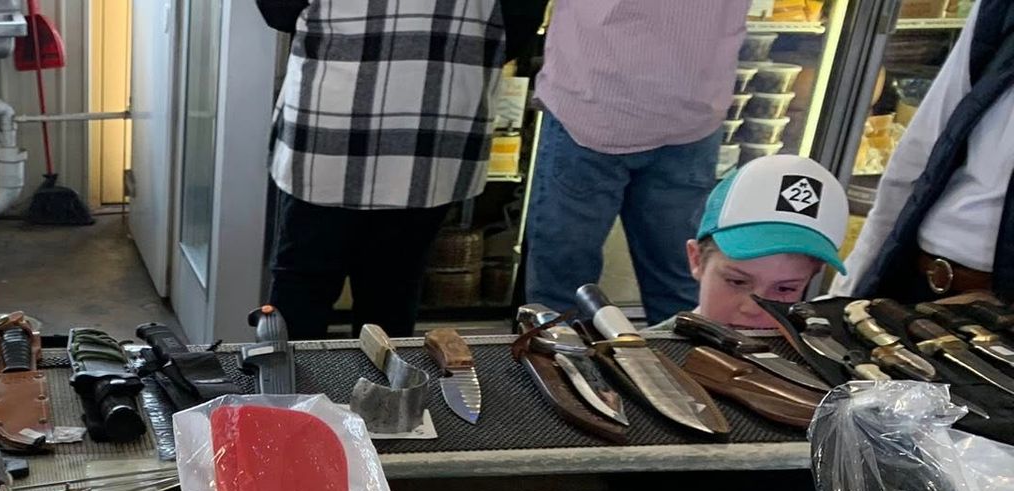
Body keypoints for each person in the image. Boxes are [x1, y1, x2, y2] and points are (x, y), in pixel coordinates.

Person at [258, 0, 529, 340]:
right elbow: (519, 22)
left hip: (333, 118)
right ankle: (385, 392)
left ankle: (289, 393)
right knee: (393, 290)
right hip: (436, 119)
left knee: (303, 287)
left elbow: (279, 11)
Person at [524, 0, 751, 325]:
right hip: (693, 104)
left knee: (561, 293)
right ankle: (685, 371)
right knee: (679, 287)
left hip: (592, 97)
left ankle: (562, 370)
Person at [838, 0, 1014, 301]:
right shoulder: (999, 10)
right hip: (919, 282)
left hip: (998, 311)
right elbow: (920, 152)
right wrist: (851, 287)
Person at [685, 154, 849, 330]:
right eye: (737, 281)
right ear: (696, 259)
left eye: (785, 289)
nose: (753, 309)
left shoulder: (818, 352)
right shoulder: (655, 354)